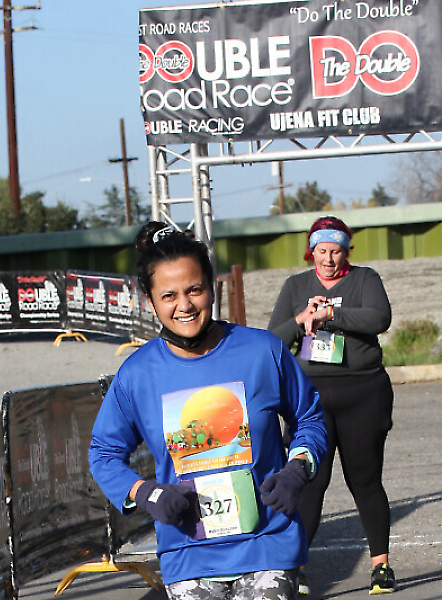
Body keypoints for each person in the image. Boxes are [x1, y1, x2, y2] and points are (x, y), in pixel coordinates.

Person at [89, 222, 327, 600]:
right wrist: (145, 492)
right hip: (188, 557)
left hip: (267, 546)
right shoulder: (137, 374)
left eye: (194, 290)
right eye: (169, 296)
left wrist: (298, 469)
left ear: (213, 289)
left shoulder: (262, 351)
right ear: (150, 302)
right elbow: (103, 453)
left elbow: (309, 418)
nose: (184, 305)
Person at [268, 216, 396, 595]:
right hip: (311, 400)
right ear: (311, 252)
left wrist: (331, 314)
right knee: (309, 482)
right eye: (322, 251)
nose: (329, 259)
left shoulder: (365, 279)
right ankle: (298, 570)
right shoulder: (295, 286)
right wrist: (302, 318)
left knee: (365, 481)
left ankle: (381, 566)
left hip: (363, 392)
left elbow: (379, 318)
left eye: (336, 251)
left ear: (346, 251)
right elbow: (273, 340)